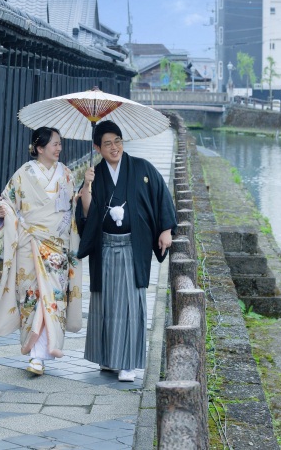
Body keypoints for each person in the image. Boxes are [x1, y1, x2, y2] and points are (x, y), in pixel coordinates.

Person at [76, 121, 177, 382]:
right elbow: (86, 214)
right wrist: (86, 186)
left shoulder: (142, 168)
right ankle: (108, 359)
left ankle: (129, 363)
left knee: (132, 304)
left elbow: (162, 196)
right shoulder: (94, 174)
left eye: (118, 141)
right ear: (97, 147)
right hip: (105, 247)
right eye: (107, 143)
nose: (114, 147)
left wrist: (166, 229)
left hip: (134, 247)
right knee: (106, 304)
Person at [0, 127, 82, 376]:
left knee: (52, 297)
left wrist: (84, 191)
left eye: (60, 144)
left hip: (57, 247)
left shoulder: (67, 175)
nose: (59, 148)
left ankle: (41, 354)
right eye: (55, 144)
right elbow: (5, 199)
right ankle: (36, 354)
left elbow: (72, 210)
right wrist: (4, 211)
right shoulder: (23, 174)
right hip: (29, 244)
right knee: (31, 296)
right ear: (40, 148)